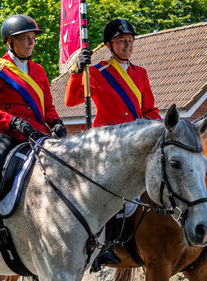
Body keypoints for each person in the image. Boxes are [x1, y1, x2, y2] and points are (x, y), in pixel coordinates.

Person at [0, 14, 66, 260]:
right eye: (25, 38)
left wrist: (56, 122)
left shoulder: (39, 71)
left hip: (36, 132)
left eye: (33, 38)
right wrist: (12, 121)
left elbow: (47, 106)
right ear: (10, 41)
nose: (31, 42)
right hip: (4, 132)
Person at [66, 18, 161, 267]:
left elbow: (149, 109)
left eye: (130, 41)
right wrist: (77, 71)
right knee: (109, 192)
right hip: (107, 142)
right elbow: (71, 100)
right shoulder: (97, 71)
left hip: (135, 141)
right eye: (121, 41)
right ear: (110, 44)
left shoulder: (140, 73)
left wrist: (162, 129)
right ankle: (102, 244)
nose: (127, 45)